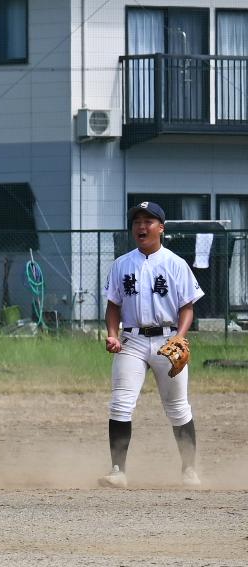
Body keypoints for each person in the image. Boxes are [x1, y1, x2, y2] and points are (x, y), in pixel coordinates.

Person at [100, 200, 203, 488]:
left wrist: (180, 336)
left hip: (167, 340)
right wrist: (112, 333)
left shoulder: (175, 264)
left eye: (148, 221)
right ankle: (118, 471)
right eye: (137, 222)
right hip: (131, 340)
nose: (141, 227)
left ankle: (189, 470)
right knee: (120, 404)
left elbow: (187, 307)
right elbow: (113, 306)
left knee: (178, 407)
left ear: (161, 228)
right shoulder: (122, 264)